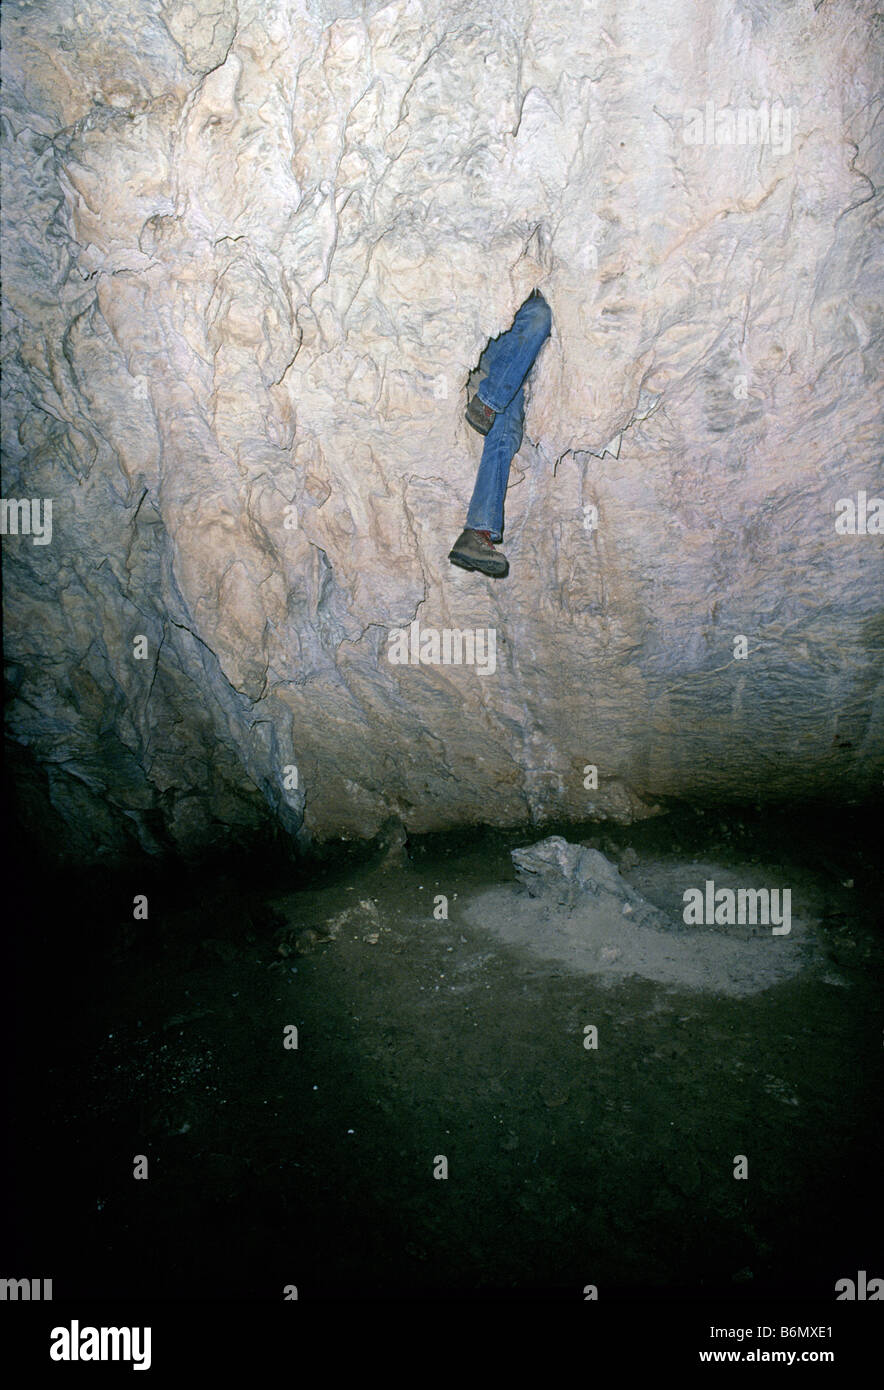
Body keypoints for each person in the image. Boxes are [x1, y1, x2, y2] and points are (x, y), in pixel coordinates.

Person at [449, 288, 552, 578]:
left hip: (512, 373)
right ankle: (487, 401)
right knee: (539, 314)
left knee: (505, 436)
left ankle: (477, 532)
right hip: (496, 341)